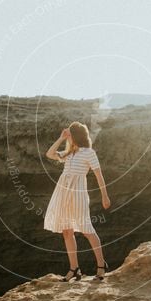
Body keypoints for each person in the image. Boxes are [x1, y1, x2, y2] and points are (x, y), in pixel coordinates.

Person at [43, 121, 111, 282]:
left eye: (69, 135)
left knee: (87, 229)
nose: (68, 138)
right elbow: (49, 154)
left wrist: (105, 196)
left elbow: (99, 175)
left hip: (78, 193)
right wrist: (61, 138)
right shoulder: (69, 153)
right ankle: (74, 269)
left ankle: (101, 266)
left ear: (76, 136)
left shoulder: (89, 153)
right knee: (67, 231)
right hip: (63, 193)